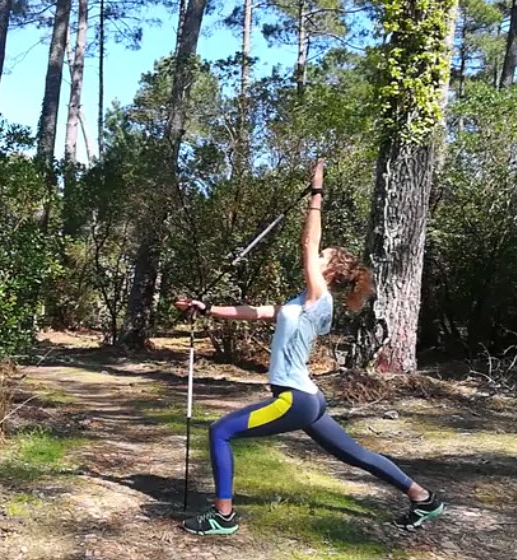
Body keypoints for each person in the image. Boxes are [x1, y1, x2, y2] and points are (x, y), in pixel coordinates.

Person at [174, 159, 445, 536]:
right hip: (309, 399)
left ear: (329, 271)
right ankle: (423, 498)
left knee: (220, 431)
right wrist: (207, 309)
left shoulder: (319, 298)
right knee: (355, 454)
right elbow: (257, 312)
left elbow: (307, 242)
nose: (314, 259)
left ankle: (224, 516)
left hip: (296, 398)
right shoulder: (301, 302)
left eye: (322, 258)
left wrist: (316, 192)